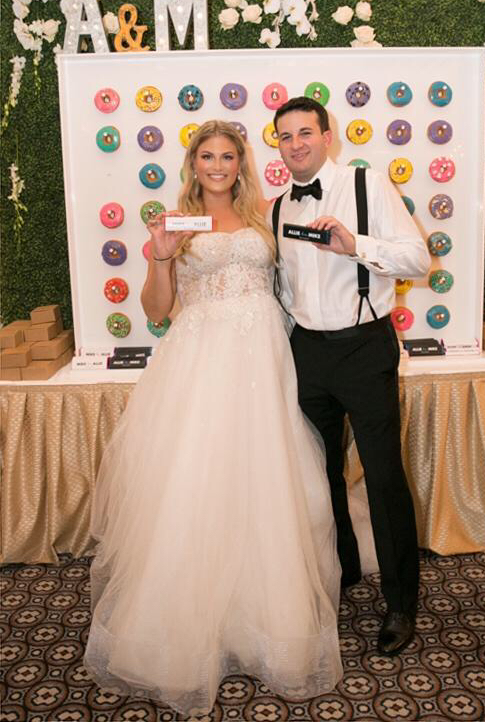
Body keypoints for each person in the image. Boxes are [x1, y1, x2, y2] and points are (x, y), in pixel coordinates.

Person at [83, 120, 343, 715]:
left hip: (262, 360)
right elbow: (157, 310)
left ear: (240, 163)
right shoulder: (173, 223)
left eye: (228, 155)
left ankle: (262, 626)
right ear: (193, 163)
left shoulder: (266, 217)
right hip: (200, 363)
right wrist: (160, 257)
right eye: (208, 156)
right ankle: (184, 628)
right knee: (198, 484)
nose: (218, 165)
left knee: (264, 480)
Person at [271, 96, 431, 656]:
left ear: (327, 134)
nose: (296, 144)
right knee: (323, 473)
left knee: (384, 477)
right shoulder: (276, 208)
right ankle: (341, 569)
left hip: (364, 347)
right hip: (306, 353)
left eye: (305, 133)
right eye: (285, 136)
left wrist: (357, 246)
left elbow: (418, 260)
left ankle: (401, 604)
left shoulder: (368, 185)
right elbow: (285, 290)